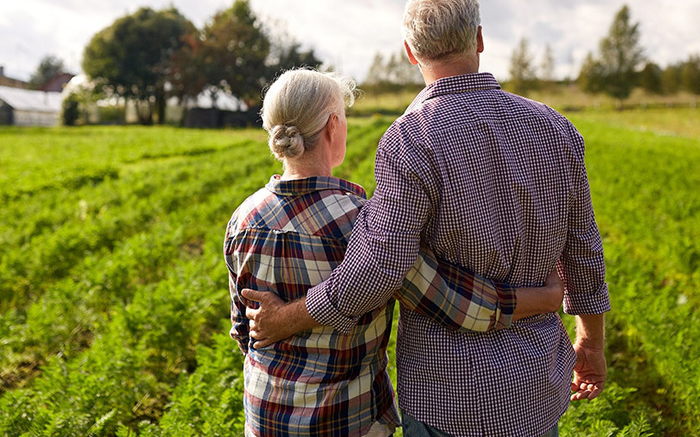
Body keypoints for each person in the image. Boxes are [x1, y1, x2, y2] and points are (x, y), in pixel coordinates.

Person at [243, 0, 611, 437]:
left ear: (410, 52)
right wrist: (590, 344)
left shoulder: (410, 139)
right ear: (479, 39)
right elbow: (583, 253)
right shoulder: (556, 128)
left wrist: (283, 318)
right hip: (539, 384)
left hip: (448, 393)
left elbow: (378, 270)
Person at [227, 68, 566, 437]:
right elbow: (453, 301)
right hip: (347, 420)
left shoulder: (244, 219)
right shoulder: (364, 221)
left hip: (264, 417)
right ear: (332, 128)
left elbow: (244, 331)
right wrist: (541, 298)